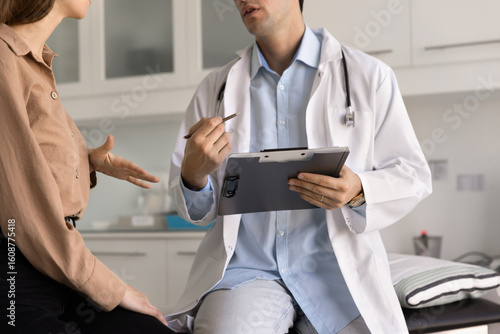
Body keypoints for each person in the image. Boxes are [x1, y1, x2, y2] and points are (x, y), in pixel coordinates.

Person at [167, 0, 432, 333]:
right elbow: (195, 209)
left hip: (338, 274)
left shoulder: (369, 76)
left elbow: (412, 174)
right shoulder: (216, 89)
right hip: (247, 275)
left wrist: (358, 190)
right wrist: (193, 175)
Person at [0, 0, 174, 333]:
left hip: (53, 266)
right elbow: (25, 208)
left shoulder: (34, 64)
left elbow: (30, 158)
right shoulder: (4, 60)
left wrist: (86, 161)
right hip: (18, 269)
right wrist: (113, 287)